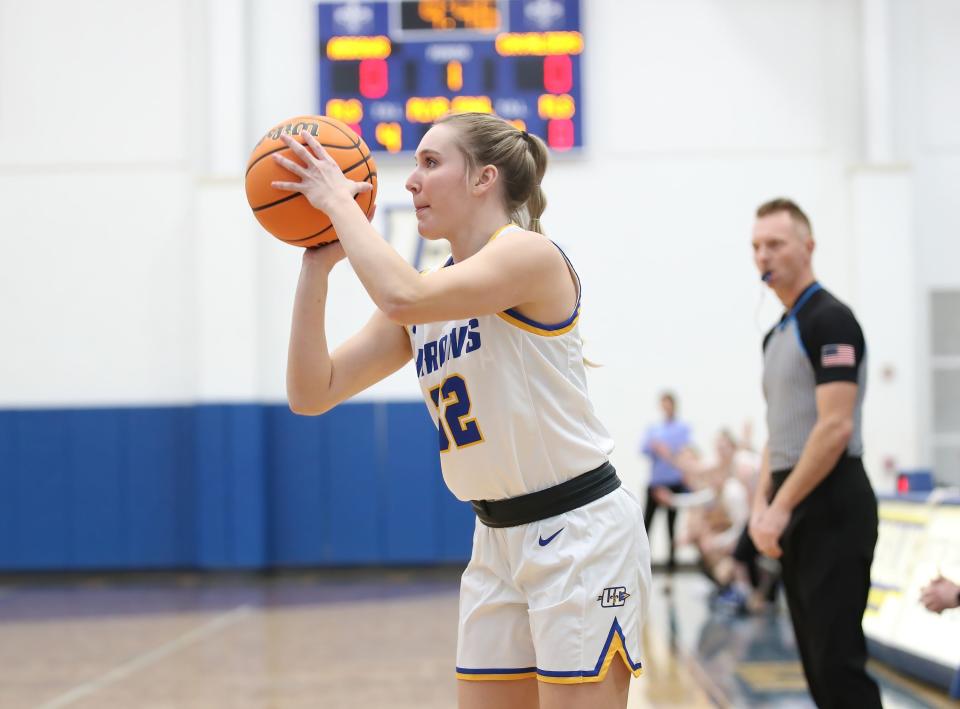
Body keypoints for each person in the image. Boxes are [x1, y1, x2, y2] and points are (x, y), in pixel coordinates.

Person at [275, 112, 651, 709]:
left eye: (430, 162)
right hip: (495, 539)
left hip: (580, 532)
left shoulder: (528, 255)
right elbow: (310, 392)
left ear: (484, 179)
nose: (410, 181)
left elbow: (403, 295)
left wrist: (339, 206)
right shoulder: (429, 295)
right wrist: (315, 262)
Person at [748, 197, 882, 709]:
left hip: (834, 503)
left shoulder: (831, 320)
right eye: (757, 246)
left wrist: (781, 507)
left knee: (839, 663)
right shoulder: (775, 334)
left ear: (808, 246)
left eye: (776, 244)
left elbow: (834, 427)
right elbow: (777, 432)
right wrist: (761, 506)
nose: (764, 255)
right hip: (793, 503)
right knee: (815, 667)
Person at [639, 392, 691, 575]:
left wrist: (666, 450)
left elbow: (685, 451)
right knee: (647, 525)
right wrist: (656, 448)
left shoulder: (682, 428)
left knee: (671, 527)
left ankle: (671, 568)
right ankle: (643, 565)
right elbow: (644, 448)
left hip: (673, 483)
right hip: (655, 483)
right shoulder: (654, 428)